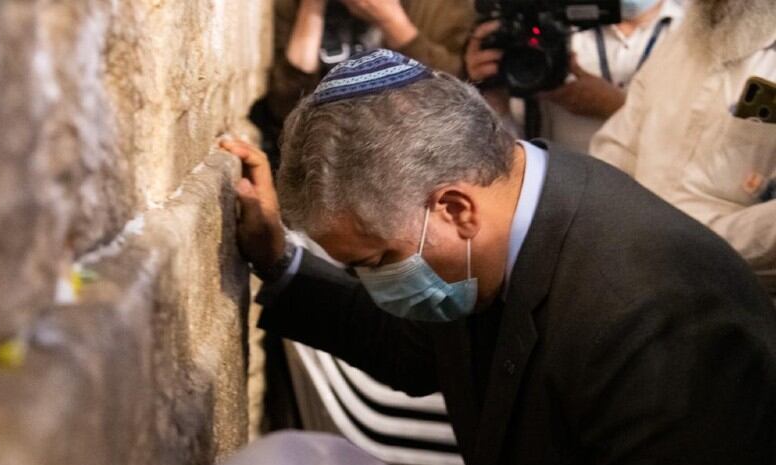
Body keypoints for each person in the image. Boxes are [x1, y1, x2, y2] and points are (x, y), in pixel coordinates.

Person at [222, 49, 776, 465]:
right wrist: (278, 260)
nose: (376, 282)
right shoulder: (500, 226)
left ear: (455, 207)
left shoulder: (656, 321)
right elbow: (411, 349)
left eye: (376, 261)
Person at [590, 0, 776, 297]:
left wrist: (686, 243)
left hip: (739, 298)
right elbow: (617, 146)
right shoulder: (683, 38)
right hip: (634, 274)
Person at [464, 0, 683, 152]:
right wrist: (492, 99)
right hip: (567, 199)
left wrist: (617, 108)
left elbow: (700, 147)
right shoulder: (549, 27)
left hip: (657, 199)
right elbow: (514, 155)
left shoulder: (695, 36)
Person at [268, 0, 474, 122]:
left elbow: (452, 96)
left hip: (410, 149)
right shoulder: (292, 6)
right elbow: (286, 107)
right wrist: (312, 9)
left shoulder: (443, 7)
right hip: (329, 147)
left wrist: (391, 22)